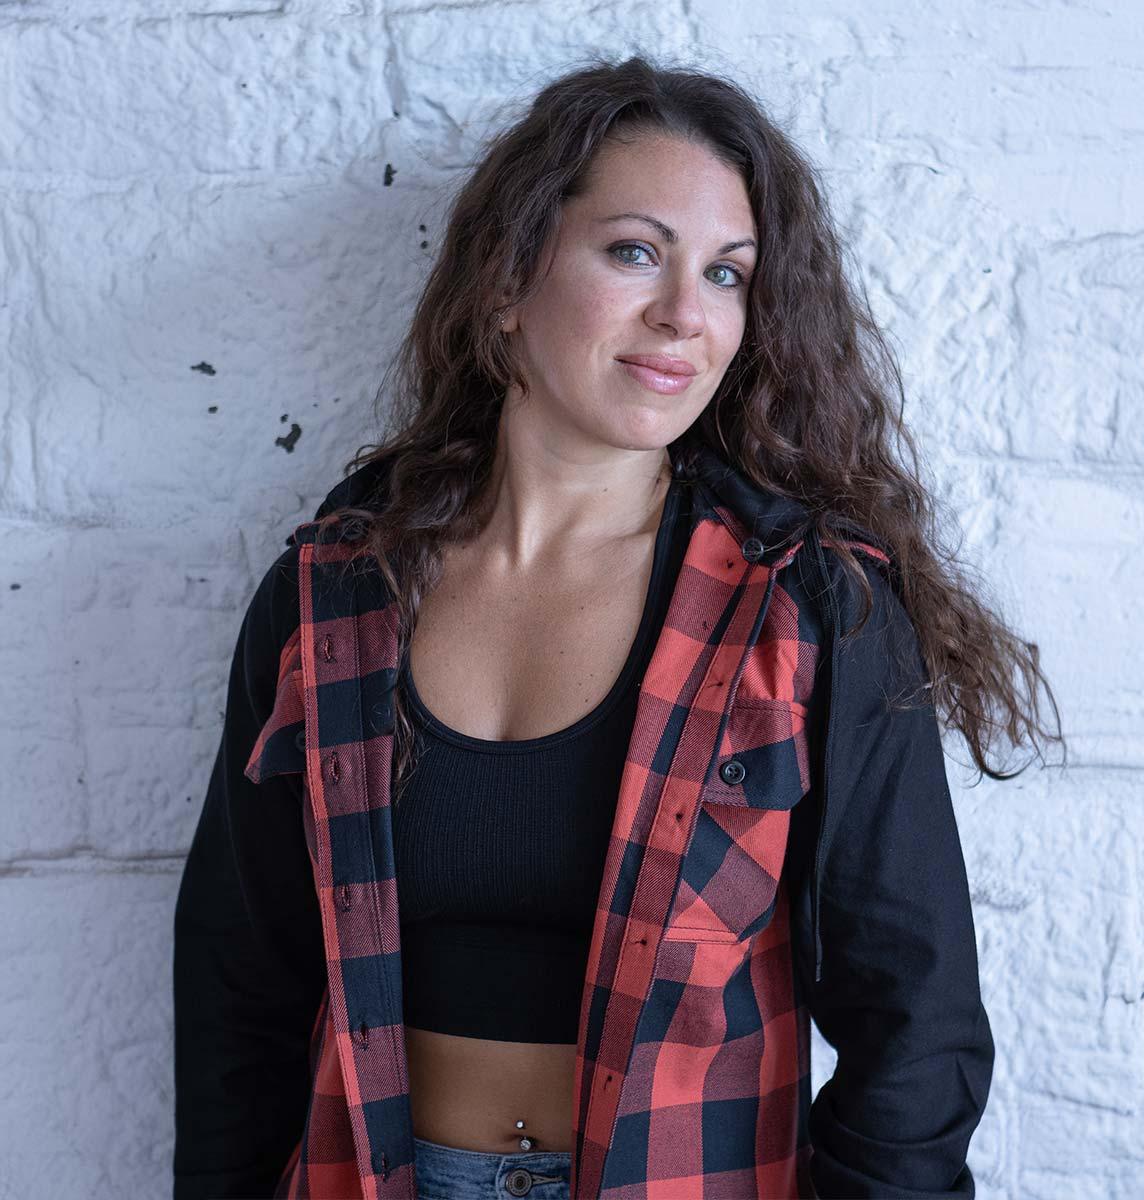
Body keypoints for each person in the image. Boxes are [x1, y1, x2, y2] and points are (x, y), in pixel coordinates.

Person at [173, 55, 1063, 1200]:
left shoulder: (805, 607)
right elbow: (239, 990)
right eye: (635, 252)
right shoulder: (330, 599)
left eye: (729, 275)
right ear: (508, 279)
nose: (686, 316)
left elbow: (917, 1021)